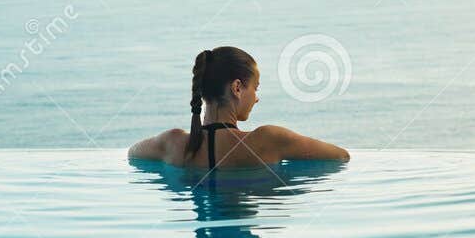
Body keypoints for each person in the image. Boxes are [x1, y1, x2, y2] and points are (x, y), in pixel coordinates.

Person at [127, 46, 349, 170]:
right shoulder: (268, 140)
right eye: (256, 88)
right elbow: (340, 157)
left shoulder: (172, 143)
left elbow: (133, 153)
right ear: (237, 88)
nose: (256, 99)